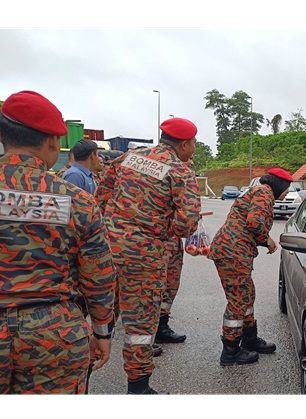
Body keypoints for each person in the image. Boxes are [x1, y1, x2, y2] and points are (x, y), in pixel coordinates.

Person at [0, 90, 116, 394]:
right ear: (53, 142)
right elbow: (99, 277)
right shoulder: (77, 201)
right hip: (53, 335)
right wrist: (102, 331)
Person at [96, 117, 200, 394]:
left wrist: (114, 224)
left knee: (99, 311)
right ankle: (138, 387)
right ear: (185, 144)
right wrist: (164, 230)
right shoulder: (180, 171)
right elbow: (187, 223)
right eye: (194, 144)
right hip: (144, 255)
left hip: (107, 248)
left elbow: (101, 195)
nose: (194, 148)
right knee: (140, 324)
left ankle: (80, 374)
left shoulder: (128, 157)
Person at [207, 167, 292, 366]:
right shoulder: (264, 192)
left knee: (247, 295)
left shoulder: (260, 191)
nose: (287, 193)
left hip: (235, 251)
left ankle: (249, 339)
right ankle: (230, 351)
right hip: (233, 252)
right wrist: (267, 240)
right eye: (286, 189)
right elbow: (254, 222)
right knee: (238, 300)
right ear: (279, 185)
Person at [156, 157, 196, 345]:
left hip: (173, 240)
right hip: (159, 241)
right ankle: (147, 334)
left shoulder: (183, 179)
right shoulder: (162, 176)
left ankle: (162, 326)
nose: (191, 163)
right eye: (189, 159)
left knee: (171, 284)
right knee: (155, 286)